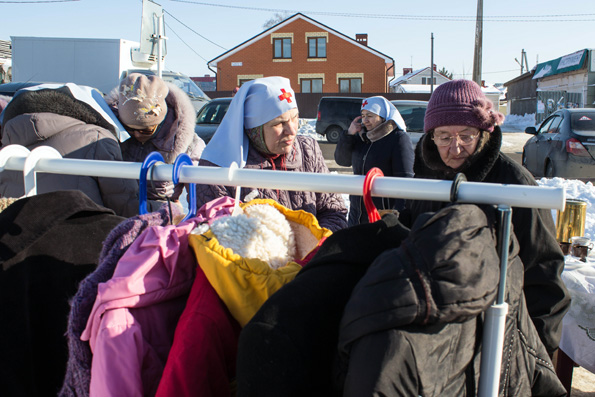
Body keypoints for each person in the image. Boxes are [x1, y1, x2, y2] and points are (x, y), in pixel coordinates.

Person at [401, 79, 570, 357]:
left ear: (484, 132)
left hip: (497, 336)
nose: (454, 148)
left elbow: (544, 274)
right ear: (431, 136)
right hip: (435, 332)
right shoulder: (427, 176)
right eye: (444, 136)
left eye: (466, 135)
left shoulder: (515, 186)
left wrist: (535, 353)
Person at [196, 76, 347, 232]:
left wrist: (316, 247)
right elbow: (216, 234)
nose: (292, 130)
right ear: (254, 130)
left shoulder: (308, 151)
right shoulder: (219, 166)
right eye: (279, 123)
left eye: (295, 118)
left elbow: (333, 211)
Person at [0, 83, 139, 217]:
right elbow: (125, 205)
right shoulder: (96, 139)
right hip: (83, 234)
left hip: (19, 236)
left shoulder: (8, 145)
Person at [107, 73, 205, 205]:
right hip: (117, 212)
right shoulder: (106, 134)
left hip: (163, 215)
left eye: (145, 130)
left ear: (161, 120)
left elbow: (202, 194)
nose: (137, 134)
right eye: (129, 129)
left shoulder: (189, 144)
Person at [334, 96, 414, 226]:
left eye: (370, 116)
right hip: (357, 213)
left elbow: (405, 179)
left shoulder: (398, 138)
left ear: (382, 117)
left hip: (383, 213)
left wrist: (398, 217)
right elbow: (342, 161)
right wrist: (348, 134)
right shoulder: (362, 137)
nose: (365, 120)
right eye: (363, 115)